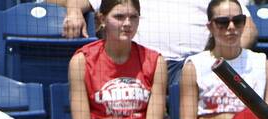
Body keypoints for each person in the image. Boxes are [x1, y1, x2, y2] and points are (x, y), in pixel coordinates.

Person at [68, 0, 181, 119]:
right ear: (102, 20)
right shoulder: (82, 61)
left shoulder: (155, 61)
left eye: (133, 17)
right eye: (119, 17)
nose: (127, 23)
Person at [61, 0, 258, 86]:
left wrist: (218, 63)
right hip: (137, 64)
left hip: (192, 67)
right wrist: (73, 11)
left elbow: (248, 29)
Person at [180, 0, 268, 119]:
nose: (231, 27)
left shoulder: (263, 64)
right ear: (210, 27)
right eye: (222, 22)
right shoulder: (194, 66)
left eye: (238, 21)